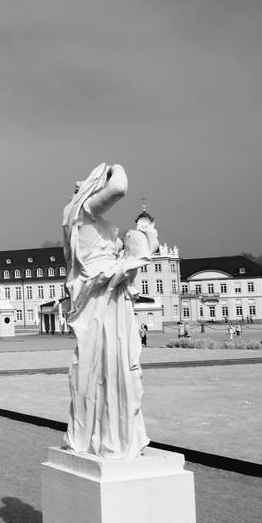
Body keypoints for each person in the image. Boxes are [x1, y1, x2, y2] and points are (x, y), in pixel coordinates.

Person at [62, 163, 157, 459]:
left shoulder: (97, 223)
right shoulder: (81, 214)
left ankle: (118, 433)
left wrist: (139, 248)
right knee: (102, 367)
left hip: (112, 298)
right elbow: (120, 187)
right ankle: (105, 435)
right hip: (99, 302)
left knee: (120, 368)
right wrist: (115, 167)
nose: (78, 182)